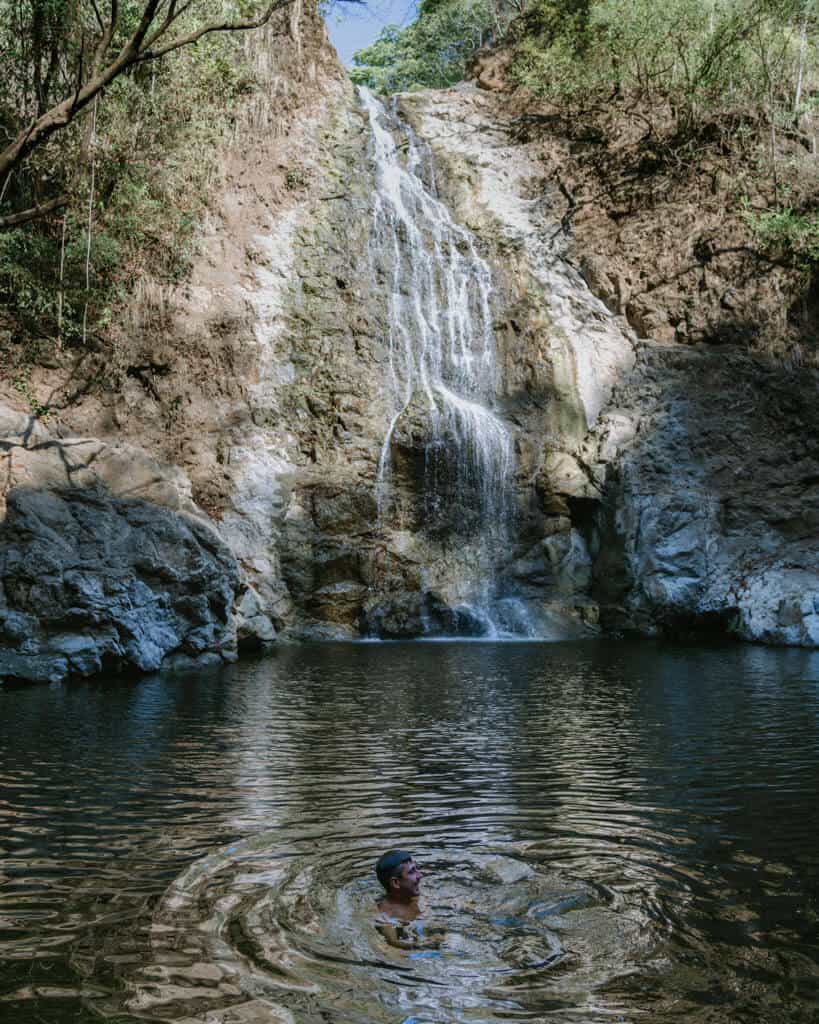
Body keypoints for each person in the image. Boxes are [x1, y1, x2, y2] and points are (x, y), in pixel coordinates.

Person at [374, 849, 442, 951]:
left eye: (416, 869)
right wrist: (420, 946)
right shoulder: (385, 915)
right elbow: (393, 943)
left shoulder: (414, 896)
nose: (420, 875)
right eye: (412, 872)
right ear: (396, 882)